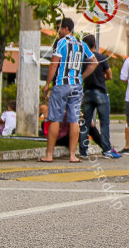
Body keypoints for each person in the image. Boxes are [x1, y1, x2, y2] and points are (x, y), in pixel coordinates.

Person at [40, 18, 95, 163]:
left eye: (60, 29)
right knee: (74, 119)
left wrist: (47, 84)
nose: (58, 32)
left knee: (55, 119)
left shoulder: (62, 43)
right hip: (76, 86)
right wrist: (81, 77)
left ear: (66, 29)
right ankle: (72, 155)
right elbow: (94, 62)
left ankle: (49, 155)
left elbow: (54, 64)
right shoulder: (82, 44)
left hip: (61, 84)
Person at [79, 34, 121, 160]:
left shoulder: (83, 59)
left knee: (85, 122)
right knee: (104, 123)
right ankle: (107, 150)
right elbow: (110, 75)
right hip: (101, 92)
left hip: (87, 92)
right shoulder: (102, 57)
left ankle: (83, 150)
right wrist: (104, 78)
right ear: (95, 45)